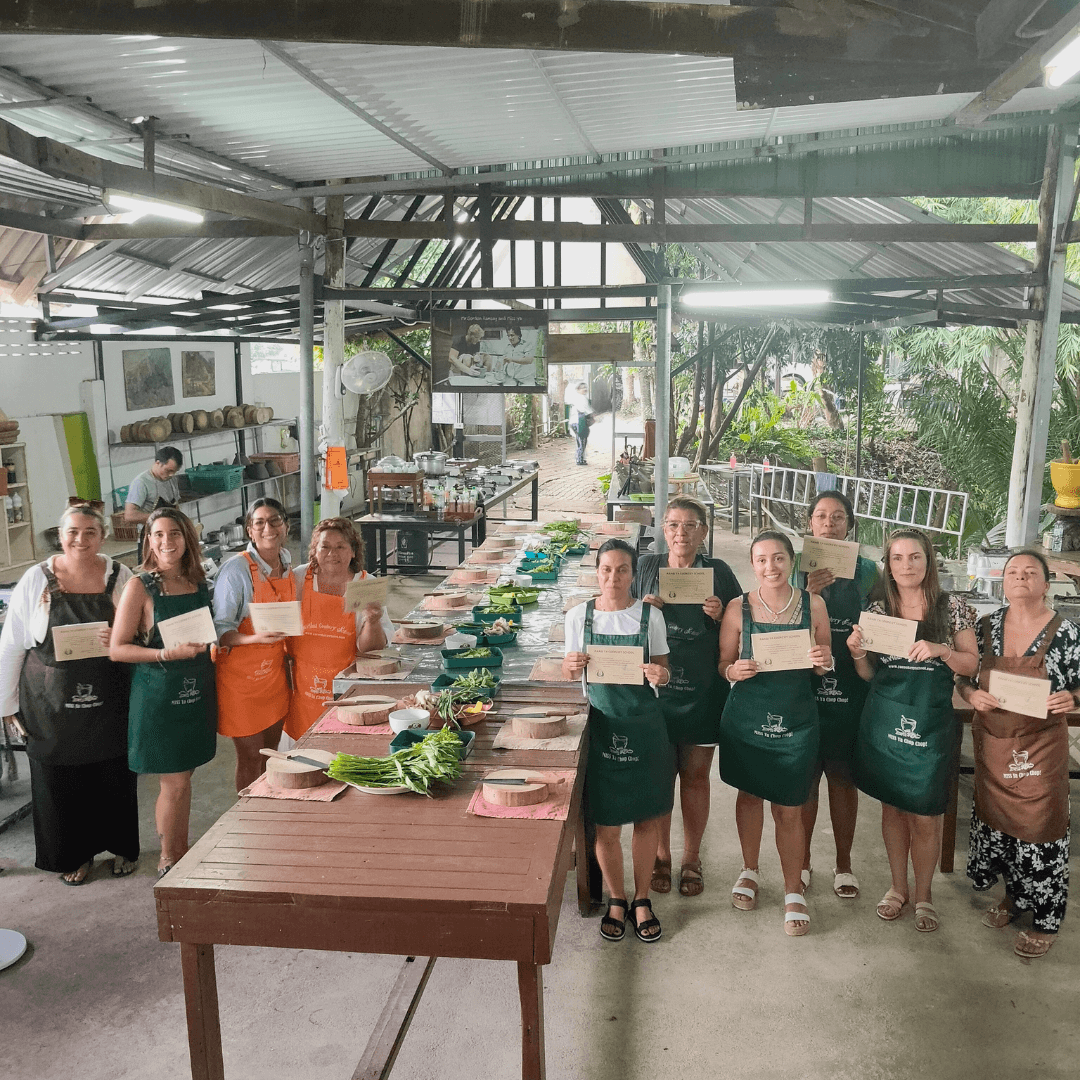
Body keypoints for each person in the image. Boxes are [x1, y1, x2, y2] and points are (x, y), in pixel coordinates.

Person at [847, 527, 978, 933]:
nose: (907, 565)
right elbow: (869, 674)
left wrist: (942, 650)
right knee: (893, 807)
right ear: (888, 565)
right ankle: (897, 888)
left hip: (932, 723)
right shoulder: (878, 609)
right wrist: (857, 654)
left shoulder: (952, 607)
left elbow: (972, 664)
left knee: (925, 812)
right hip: (886, 720)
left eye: (915, 557)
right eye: (898, 558)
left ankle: (924, 895)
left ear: (928, 561)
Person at [0, 504, 138, 884]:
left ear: (103, 536)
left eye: (90, 531)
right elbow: (11, 645)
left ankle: (122, 846)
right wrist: (6, 705)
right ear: (60, 536)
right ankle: (74, 855)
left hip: (110, 698)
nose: (81, 539)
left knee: (114, 775)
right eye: (72, 531)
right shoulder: (37, 580)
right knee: (59, 780)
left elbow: (143, 630)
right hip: (50, 704)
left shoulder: (120, 576)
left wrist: (121, 636)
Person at [957, 549, 1080, 959]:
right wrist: (971, 694)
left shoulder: (1067, 632)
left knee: (1042, 827)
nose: (1021, 577)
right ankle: (1013, 897)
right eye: (1013, 572)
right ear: (1003, 581)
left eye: (1030, 572)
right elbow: (962, 676)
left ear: (1046, 583)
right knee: (1002, 825)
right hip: (995, 743)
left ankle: (1046, 918)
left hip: (1041, 745)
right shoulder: (986, 627)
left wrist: (1073, 697)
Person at [718, 530, 832, 936]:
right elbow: (722, 664)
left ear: (792, 561)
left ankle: (792, 889)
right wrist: (734, 671)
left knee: (790, 806)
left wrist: (823, 659)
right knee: (749, 796)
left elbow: (824, 663)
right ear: (753, 565)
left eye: (779, 558)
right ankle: (749, 870)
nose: (772, 567)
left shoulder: (814, 604)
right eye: (762, 560)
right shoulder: (737, 608)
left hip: (796, 720)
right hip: (747, 719)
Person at [562, 539, 673, 943]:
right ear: (597, 572)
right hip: (603, 728)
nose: (614, 577)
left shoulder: (650, 616)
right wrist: (569, 665)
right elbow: (570, 673)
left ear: (633, 574)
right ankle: (616, 897)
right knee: (606, 824)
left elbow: (664, 669)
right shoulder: (578, 616)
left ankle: (642, 898)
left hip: (645, 728)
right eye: (606, 569)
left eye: (622, 569)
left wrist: (661, 676)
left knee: (647, 819)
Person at [633, 495, 740, 898]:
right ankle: (661, 855)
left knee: (695, 778)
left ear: (704, 532)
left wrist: (720, 614)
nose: (681, 532)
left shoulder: (719, 571)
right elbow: (619, 617)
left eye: (691, 525)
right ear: (663, 529)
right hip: (655, 689)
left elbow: (743, 623)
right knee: (661, 777)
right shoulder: (646, 566)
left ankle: (691, 858)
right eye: (674, 524)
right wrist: (641, 610)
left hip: (702, 689)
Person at [110, 507, 216, 879]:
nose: (166, 542)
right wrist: (165, 654)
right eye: (158, 534)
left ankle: (180, 845)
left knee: (184, 780)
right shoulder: (139, 587)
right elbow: (117, 649)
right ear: (148, 540)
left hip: (196, 693)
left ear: (187, 539)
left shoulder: (198, 582)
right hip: (158, 698)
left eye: (174, 534)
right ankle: (169, 856)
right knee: (174, 782)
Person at [791, 490, 879, 899]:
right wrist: (806, 592)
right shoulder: (792, 564)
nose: (829, 524)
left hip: (851, 680)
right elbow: (774, 622)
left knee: (843, 778)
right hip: (803, 684)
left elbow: (885, 616)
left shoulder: (869, 570)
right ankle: (802, 861)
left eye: (838, 517)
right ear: (810, 523)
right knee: (807, 778)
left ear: (850, 525)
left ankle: (844, 863)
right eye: (822, 516)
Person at [284, 518, 395, 741]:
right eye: (324, 546)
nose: (332, 553)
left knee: (345, 744)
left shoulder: (365, 584)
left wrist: (373, 621)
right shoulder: (297, 579)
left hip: (350, 690)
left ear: (353, 551)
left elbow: (373, 651)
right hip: (302, 692)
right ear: (314, 551)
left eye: (340, 547)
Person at [212, 498, 296, 793]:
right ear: (249, 530)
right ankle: (248, 812)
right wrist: (254, 638)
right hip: (241, 683)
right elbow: (221, 630)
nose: (268, 528)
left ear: (286, 526)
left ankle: (267, 808)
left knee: (270, 754)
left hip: (273, 678)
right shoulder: (236, 570)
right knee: (249, 757)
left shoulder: (287, 564)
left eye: (274, 520)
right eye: (259, 522)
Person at [124, 446, 182, 562]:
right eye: (168, 470)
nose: (171, 475)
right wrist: (161, 518)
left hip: (169, 537)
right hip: (150, 540)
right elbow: (129, 515)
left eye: (174, 472)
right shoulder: (141, 483)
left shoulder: (171, 480)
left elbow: (176, 506)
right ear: (158, 463)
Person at [566, 381, 593, 466]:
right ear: (578, 389)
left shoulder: (575, 398)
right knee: (582, 441)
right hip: (580, 422)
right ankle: (580, 459)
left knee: (579, 440)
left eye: (585, 387)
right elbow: (586, 411)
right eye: (582, 388)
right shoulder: (582, 398)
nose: (585, 389)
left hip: (574, 422)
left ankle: (579, 457)